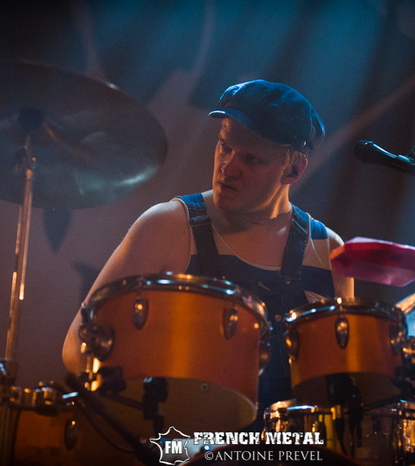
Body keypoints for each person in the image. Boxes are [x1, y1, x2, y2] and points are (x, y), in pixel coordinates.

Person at [62, 79, 355, 430]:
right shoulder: (167, 226)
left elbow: (338, 390)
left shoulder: (329, 251)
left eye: (251, 159)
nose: (228, 167)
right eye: (224, 146)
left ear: (294, 169)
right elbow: (77, 345)